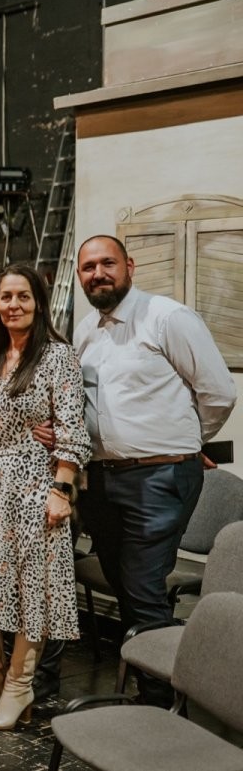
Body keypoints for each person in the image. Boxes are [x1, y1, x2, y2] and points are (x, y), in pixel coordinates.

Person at [74, 235, 236, 706]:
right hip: (102, 480)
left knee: (143, 589)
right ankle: (156, 682)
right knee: (125, 584)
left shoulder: (167, 317)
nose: (98, 273)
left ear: (130, 265)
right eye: (88, 267)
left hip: (159, 478)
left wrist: (186, 442)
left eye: (107, 263)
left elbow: (218, 393)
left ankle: (159, 704)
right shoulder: (86, 330)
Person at [0, 263, 91, 730]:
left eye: (22, 296)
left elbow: (72, 430)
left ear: (38, 302)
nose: (12, 305)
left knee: (32, 592)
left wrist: (61, 489)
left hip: (34, 485)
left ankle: (19, 687)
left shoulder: (58, 356)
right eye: (5, 297)